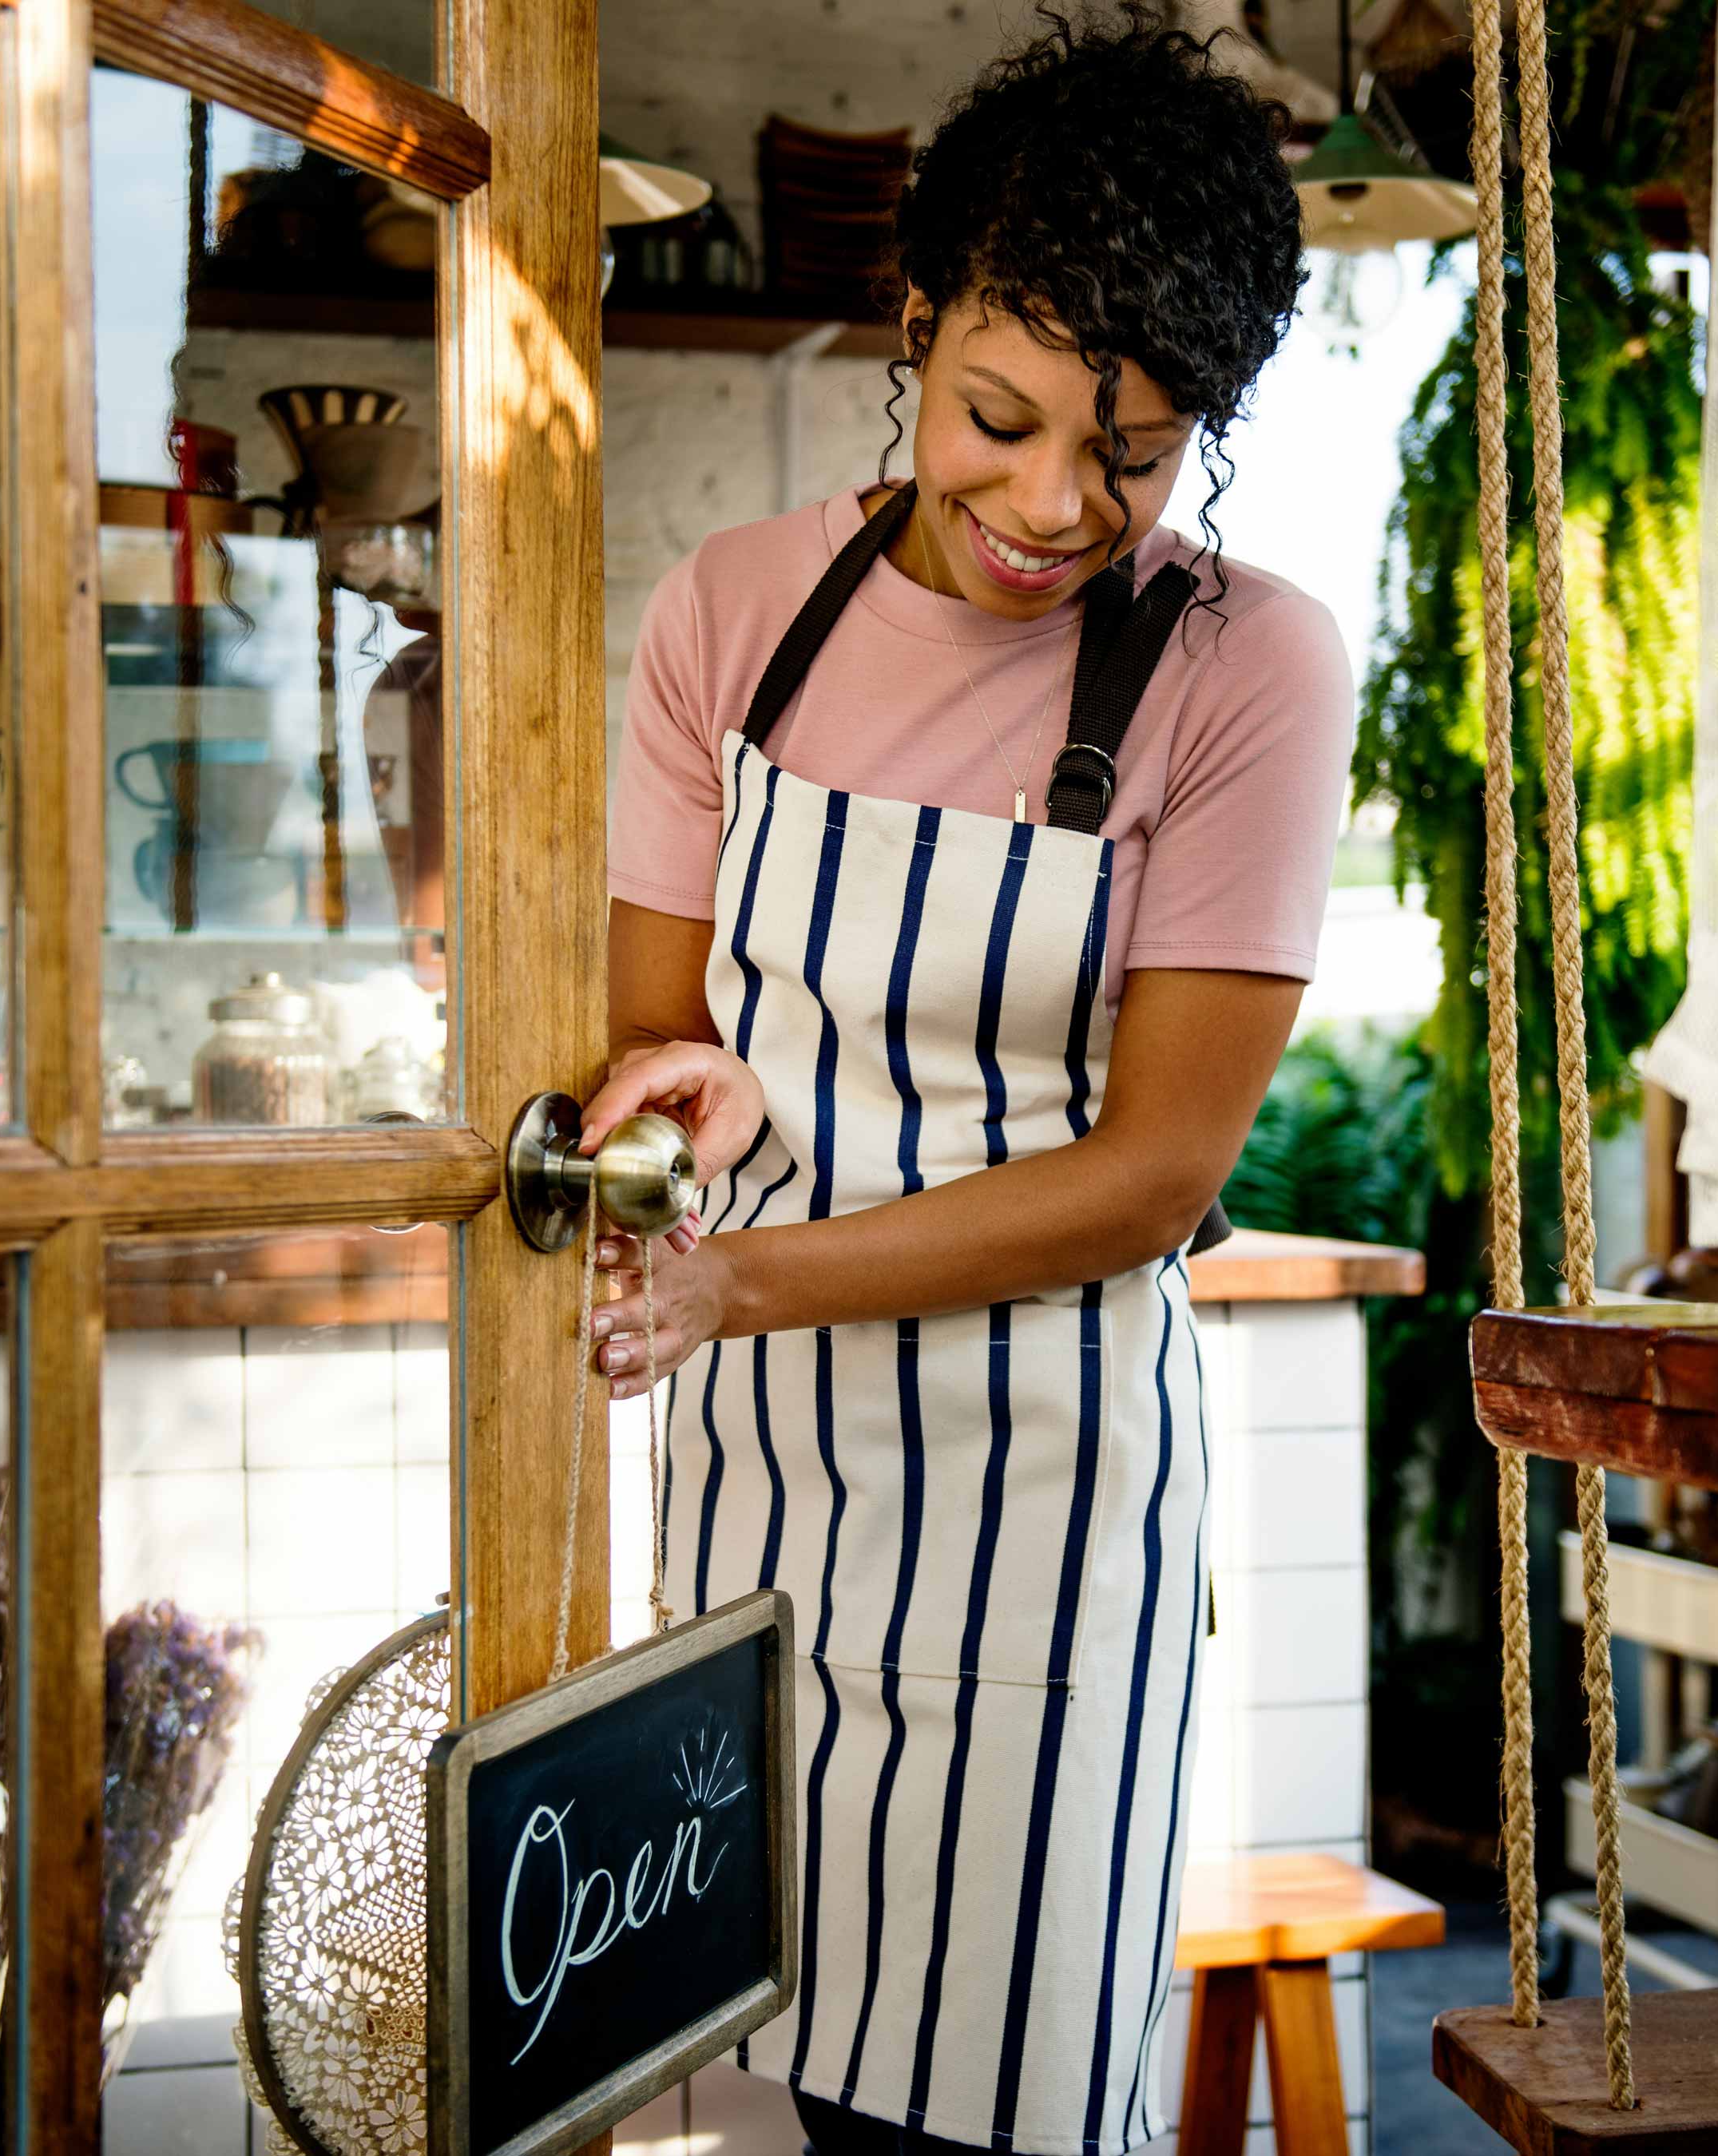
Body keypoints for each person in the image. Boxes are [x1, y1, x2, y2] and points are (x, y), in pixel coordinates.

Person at [586, 11, 1352, 2150]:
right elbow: (653, 1054)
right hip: (756, 1504)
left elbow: (1147, 1177)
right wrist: (676, 1115)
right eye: (999, 418)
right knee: (747, 2108)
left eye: (1129, 451)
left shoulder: (1243, 667)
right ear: (914, 330)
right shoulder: (733, 617)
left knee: (993, 2120)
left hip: (1049, 1529)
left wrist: (743, 1276)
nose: (1049, 506)